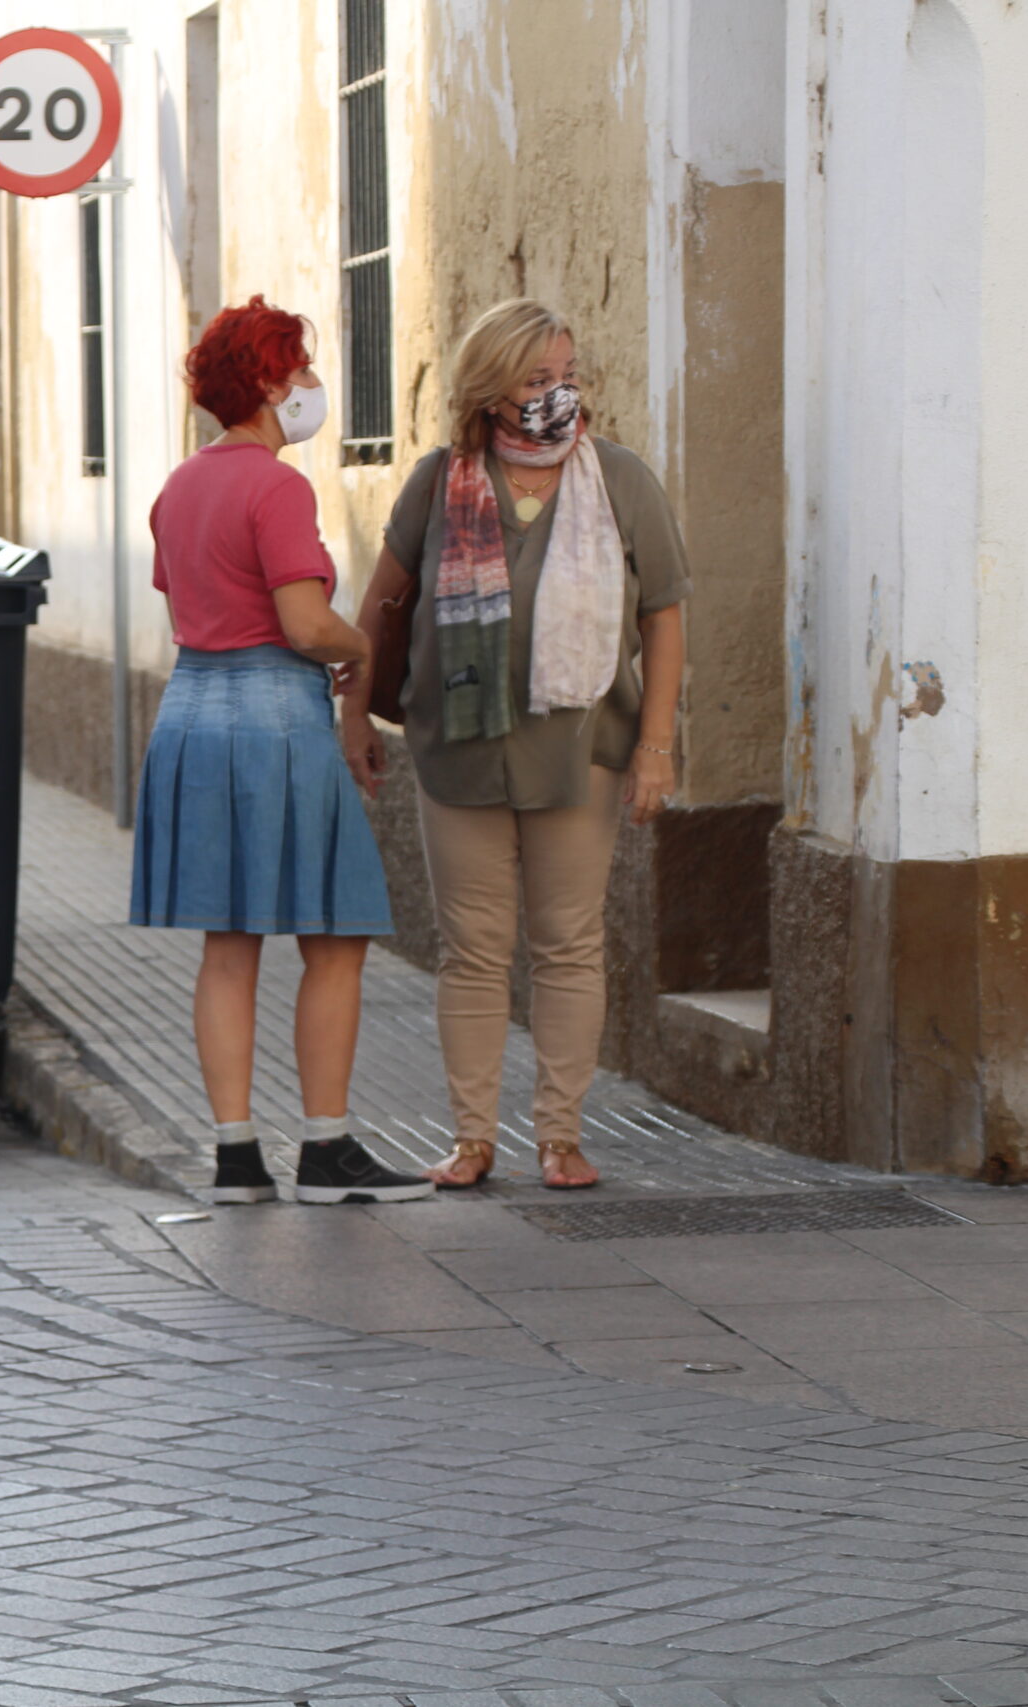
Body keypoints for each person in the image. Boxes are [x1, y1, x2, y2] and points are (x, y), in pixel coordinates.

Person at [337, 299, 689, 1191]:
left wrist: (656, 745)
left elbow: (664, 616)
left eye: (567, 375)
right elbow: (382, 603)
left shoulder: (620, 479)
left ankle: (561, 1136)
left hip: (582, 752)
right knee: (472, 949)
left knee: (569, 943)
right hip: (460, 752)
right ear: (492, 390)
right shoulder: (438, 482)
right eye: (537, 379)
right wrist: (353, 715)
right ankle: (471, 1139)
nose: (558, 393)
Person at [131, 296, 432, 1208]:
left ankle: (236, 1158)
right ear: (266, 382)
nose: (309, 381)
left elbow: (188, 604)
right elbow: (304, 624)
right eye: (297, 367)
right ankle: (326, 1148)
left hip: (190, 713)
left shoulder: (179, 486)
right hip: (274, 719)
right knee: (335, 934)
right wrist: (362, 647)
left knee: (228, 945)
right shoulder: (277, 486)